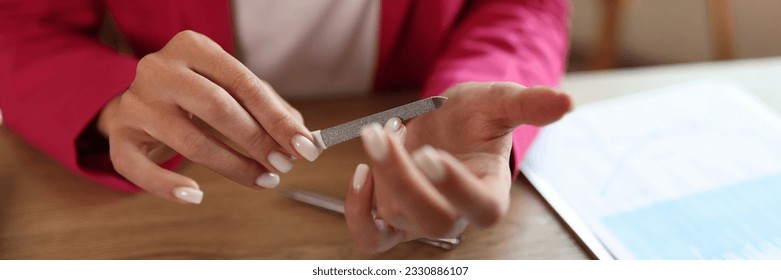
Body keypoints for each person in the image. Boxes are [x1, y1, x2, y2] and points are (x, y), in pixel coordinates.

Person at [0, 0, 572, 253]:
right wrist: (110, 100)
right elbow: (20, 23)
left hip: (421, 112)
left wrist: (476, 91)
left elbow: (521, 6)